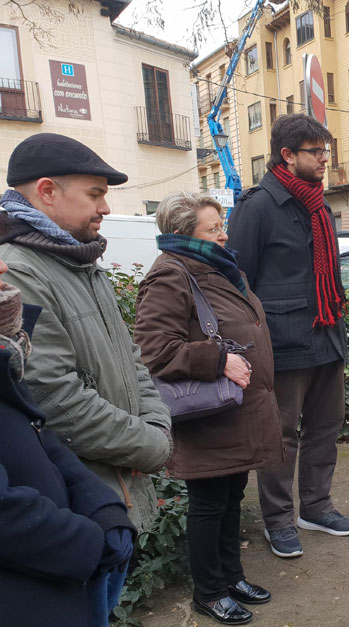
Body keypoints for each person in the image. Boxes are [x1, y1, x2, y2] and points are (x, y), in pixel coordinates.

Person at [0, 133, 172, 535]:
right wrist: (152, 445)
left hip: (113, 490)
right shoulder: (20, 272)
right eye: (95, 194)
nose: (105, 207)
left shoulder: (79, 260)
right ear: (47, 191)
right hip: (82, 506)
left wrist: (154, 424)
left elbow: (130, 358)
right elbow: (55, 398)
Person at [134, 191, 284, 624]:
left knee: (232, 497)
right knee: (208, 503)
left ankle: (231, 577)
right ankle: (209, 591)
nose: (224, 234)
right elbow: (152, 350)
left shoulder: (218, 269)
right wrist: (217, 359)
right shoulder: (171, 275)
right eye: (213, 228)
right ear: (183, 234)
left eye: (222, 226)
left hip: (238, 412)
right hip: (209, 416)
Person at [227, 114, 349, 559]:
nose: (325, 160)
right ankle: (279, 520)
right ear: (287, 155)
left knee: (325, 427)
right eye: (315, 152)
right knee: (280, 435)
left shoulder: (318, 205)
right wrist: (252, 341)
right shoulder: (258, 205)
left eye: (326, 151)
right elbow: (237, 280)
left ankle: (317, 507)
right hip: (282, 343)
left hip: (326, 334)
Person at [0, 259, 135, 626]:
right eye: (94, 195)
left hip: (61, 580)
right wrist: (90, 543)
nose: (1, 265)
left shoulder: (7, 350)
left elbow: (37, 431)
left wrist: (104, 509)